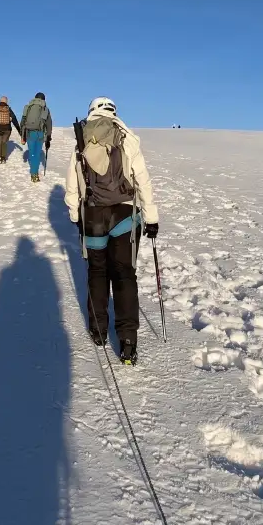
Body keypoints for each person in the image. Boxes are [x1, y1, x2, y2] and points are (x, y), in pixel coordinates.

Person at [65, 97, 159, 365]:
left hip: (93, 215)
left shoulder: (82, 138)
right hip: (125, 215)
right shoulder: (126, 138)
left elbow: (72, 185)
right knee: (124, 274)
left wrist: (75, 216)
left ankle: (98, 330)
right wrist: (151, 217)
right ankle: (128, 340)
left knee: (97, 271)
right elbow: (143, 180)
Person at [20, 92, 53, 183]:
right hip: (40, 134)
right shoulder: (45, 109)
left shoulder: (28, 107)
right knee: (37, 153)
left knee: (32, 153)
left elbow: (23, 121)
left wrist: (22, 134)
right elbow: (49, 123)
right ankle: (35, 173)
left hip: (30, 133)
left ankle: (33, 173)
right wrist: (48, 136)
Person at [0, 95, 21, 164]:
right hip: (7, 129)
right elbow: (14, 119)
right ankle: (3, 158)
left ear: (0, 101)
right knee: (4, 143)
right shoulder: (9, 109)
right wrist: (19, 130)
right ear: (6, 102)